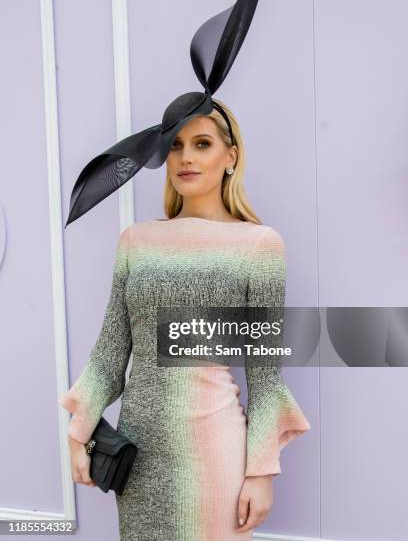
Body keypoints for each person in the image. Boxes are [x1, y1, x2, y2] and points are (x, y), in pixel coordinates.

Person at [59, 99, 311, 540]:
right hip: (141, 458)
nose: (186, 157)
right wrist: (78, 434)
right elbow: (109, 354)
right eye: (175, 146)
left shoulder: (260, 246)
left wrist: (261, 473)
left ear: (230, 157)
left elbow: (265, 376)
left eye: (202, 143)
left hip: (216, 456)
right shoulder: (136, 241)